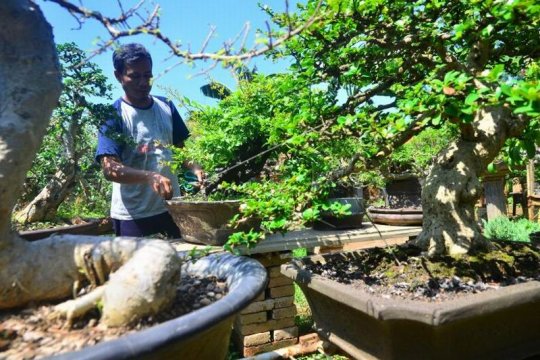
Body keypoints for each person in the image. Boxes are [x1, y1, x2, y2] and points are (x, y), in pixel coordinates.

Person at [95, 43, 203, 238]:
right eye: (135, 76)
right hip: (133, 216)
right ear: (118, 76)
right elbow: (110, 169)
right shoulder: (113, 115)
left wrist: (195, 168)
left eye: (147, 75)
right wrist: (149, 176)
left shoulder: (166, 107)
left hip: (172, 209)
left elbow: (181, 151)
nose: (143, 82)